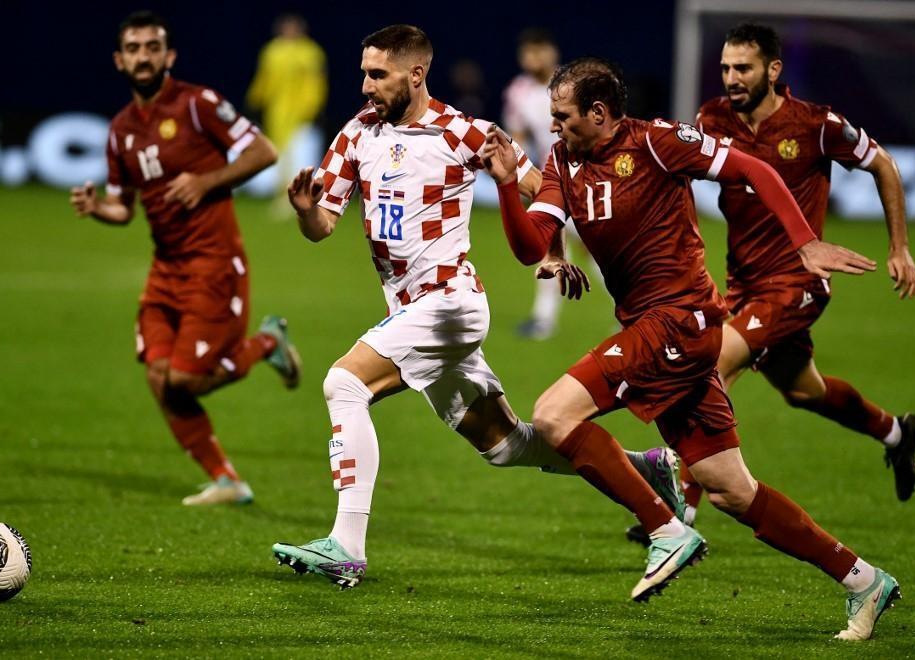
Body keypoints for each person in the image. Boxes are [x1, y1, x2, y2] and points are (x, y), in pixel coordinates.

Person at [484, 56, 899, 639]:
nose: (553, 127)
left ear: (599, 113)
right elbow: (532, 247)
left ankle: (665, 529)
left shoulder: (657, 143)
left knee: (554, 413)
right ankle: (863, 580)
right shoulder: (562, 162)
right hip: (661, 333)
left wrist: (804, 242)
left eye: (563, 116)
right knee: (731, 488)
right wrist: (507, 182)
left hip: (681, 320)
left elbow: (754, 169)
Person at [271, 25, 687, 592]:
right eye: (364, 73)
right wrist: (303, 211)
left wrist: (552, 251)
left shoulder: (462, 131)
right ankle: (647, 469)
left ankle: (346, 545)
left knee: (343, 383)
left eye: (378, 75)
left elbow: (543, 185)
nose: (366, 86)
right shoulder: (355, 135)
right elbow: (324, 226)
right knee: (506, 444)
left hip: (449, 304)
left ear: (416, 74)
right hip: (409, 311)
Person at [672, 23, 915, 527]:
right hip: (744, 285)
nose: (731, 78)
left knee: (708, 368)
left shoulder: (816, 124)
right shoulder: (712, 118)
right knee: (803, 391)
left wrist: (900, 247)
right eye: (725, 68)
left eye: (743, 67)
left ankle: (681, 514)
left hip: (798, 284)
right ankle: (898, 433)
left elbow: (885, 165)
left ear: (773, 70)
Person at [69, 11, 301, 506]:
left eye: (153, 47)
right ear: (119, 59)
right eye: (133, 48)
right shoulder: (120, 131)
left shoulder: (198, 105)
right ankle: (226, 479)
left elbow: (262, 152)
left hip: (214, 263)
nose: (144, 56)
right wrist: (96, 209)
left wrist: (206, 180)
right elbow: (123, 209)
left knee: (187, 379)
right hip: (166, 270)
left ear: (169, 55)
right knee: (159, 378)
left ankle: (266, 343)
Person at [503, 28, 586, 340]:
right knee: (549, 249)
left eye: (540, 50)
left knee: (598, 252)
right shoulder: (518, 92)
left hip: (584, 180)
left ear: (553, 52)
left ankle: (633, 310)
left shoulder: (574, 86)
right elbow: (518, 140)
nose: (535, 57)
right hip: (550, 183)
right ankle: (543, 319)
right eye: (529, 51)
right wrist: (525, 181)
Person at [246, 14, 328, 201]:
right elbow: (264, 79)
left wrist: (312, 107)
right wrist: (255, 99)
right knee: (280, 151)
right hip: (276, 111)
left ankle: (298, 193)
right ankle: (282, 192)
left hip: (300, 112)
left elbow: (316, 83)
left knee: (299, 152)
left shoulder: (310, 52)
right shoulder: (272, 51)